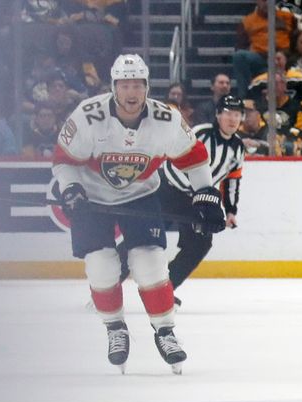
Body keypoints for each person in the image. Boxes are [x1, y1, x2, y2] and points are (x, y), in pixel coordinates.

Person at [51, 54, 225, 373]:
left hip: (140, 194)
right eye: (124, 85)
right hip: (92, 198)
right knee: (102, 268)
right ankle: (115, 329)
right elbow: (64, 160)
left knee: (150, 263)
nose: (131, 92)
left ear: (147, 87)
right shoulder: (88, 117)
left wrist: (206, 193)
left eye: (137, 85)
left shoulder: (166, 119)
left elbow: (195, 158)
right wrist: (71, 188)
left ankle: (165, 331)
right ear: (113, 87)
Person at [155, 94, 246, 298]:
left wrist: (230, 210)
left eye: (237, 114)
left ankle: (164, 292)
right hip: (165, 190)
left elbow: (232, 180)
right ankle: (108, 287)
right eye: (228, 113)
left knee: (200, 244)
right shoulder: (200, 133)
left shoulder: (238, 147)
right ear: (217, 114)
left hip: (195, 201)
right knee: (140, 235)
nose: (232, 119)